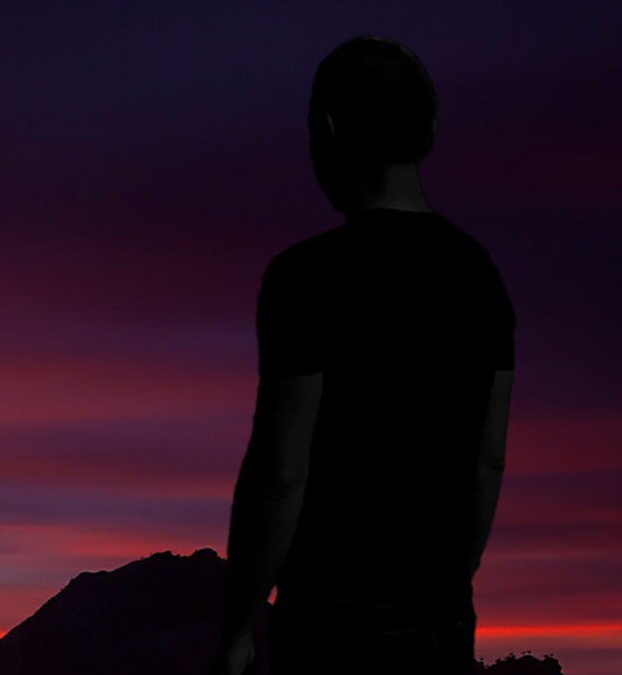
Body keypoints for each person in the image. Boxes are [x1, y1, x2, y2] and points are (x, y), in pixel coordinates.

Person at [210, 35, 516, 675]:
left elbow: (281, 472)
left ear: (327, 131)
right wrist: (450, 584)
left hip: (333, 624)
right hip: (440, 623)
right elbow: (488, 459)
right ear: (429, 130)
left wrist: (239, 629)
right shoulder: (480, 276)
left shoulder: (305, 278)